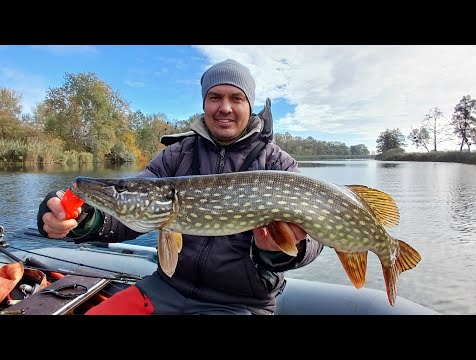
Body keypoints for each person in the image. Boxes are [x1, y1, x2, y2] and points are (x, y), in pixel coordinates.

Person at [37, 59, 323, 315]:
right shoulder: (177, 155)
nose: (224, 107)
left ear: (249, 105)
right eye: (214, 97)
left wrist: (277, 250)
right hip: (166, 288)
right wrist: (85, 218)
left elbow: (316, 238)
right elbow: (135, 207)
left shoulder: (277, 164)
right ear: (204, 104)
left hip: (240, 302)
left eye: (236, 98)